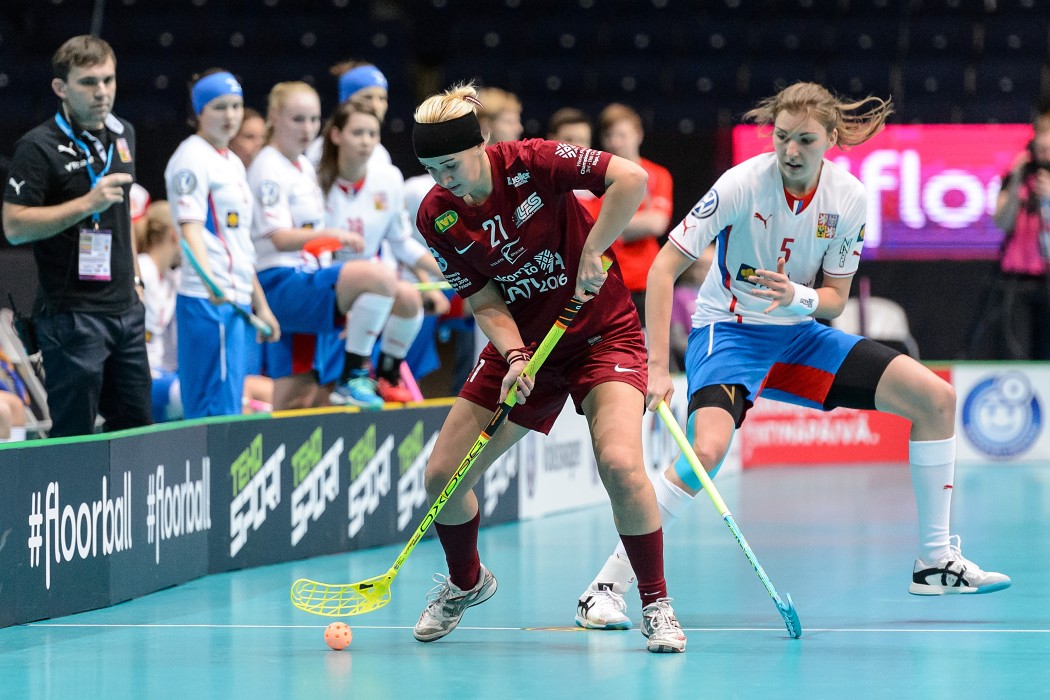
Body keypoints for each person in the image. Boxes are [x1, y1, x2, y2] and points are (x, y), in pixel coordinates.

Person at [575, 82, 1011, 632]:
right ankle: (604, 588)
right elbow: (663, 268)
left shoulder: (849, 199)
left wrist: (795, 298)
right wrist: (658, 367)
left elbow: (834, 299)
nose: (791, 151)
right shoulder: (741, 184)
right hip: (728, 333)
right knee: (703, 453)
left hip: (799, 335)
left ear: (830, 138)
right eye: (782, 137)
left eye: (805, 139)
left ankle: (934, 561)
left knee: (937, 400)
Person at [408, 82, 686, 653]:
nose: (445, 180)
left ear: (481, 141)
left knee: (620, 464)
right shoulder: (435, 216)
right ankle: (466, 582)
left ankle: (656, 602)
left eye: (452, 164)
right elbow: (484, 298)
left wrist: (594, 248)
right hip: (528, 348)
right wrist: (512, 356)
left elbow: (630, 179)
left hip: (600, 334)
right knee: (442, 476)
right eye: (432, 168)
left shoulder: (533, 161)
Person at [2, 35, 151, 437]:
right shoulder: (38, 147)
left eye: (108, 80)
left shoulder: (124, 135)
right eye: (88, 82)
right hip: (72, 317)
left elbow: (123, 219)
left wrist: (136, 280)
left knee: (137, 430)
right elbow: (14, 227)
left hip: (125, 312)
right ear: (61, 88)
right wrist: (87, 203)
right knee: (75, 436)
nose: (102, 92)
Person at [248, 81, 397, 410]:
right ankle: (355, 372)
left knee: (301, 393)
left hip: (307, 277)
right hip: (280, 282)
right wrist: (335, 235)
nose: (307, 129)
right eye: (298, 119)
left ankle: (353, 371)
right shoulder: (268, 165)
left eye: (314, 120)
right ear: (274, 116)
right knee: (381, 279)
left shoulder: (302, 166)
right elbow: (278, 237)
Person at [165, 69, 280, 419]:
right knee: (210, 410)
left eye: (236, 106)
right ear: (199, 112)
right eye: (219, 107)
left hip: (236, 303)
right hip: (206, 302)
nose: (230, 116)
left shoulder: (232, 163)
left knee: (232, 405)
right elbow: (190, 231)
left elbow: (240, 247)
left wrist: (263, 306)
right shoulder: (191, 157)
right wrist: (210, 281)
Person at [317, 100, 449, 402]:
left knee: (409, 298)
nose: (366, 141)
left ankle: (387, 375)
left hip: (372, 282)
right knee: (383, 282)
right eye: (357, 133)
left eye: (372, 134)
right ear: (336, 136)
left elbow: (401, 242)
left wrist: (449, 271)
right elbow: (314, 244)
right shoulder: (317, 180)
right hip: (326, 277)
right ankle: (352, 376)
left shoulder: (388, 180)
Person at [590, 103, 674, 327]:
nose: (615, 142)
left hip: (644, 282)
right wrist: (634, 223)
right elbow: (591, 226)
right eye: (609, 136)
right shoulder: (594, 179)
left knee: (645, 351)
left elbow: (657, 223)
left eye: (622, 135)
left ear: (638, 135)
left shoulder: (658, 175)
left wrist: (611, 226)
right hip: (603, 282)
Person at [989, 122, 1050, 359]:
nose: (1044, 155)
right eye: (1041, 148)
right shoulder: (1019, 177)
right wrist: (1016, 182)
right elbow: (1002, 222)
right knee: (1015, 351)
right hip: (1017, 279)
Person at [135, 200, 182, 421]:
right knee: (191, 396)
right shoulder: (143, 269)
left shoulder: (172, 278)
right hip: (141, 375)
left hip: (163, 371)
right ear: (175, 235)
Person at [305, 61, 391, 168]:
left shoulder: (381, 154)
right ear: (346, 101)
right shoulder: (319, 151)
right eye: (367, 97)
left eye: (382, 98)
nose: (376, 105)